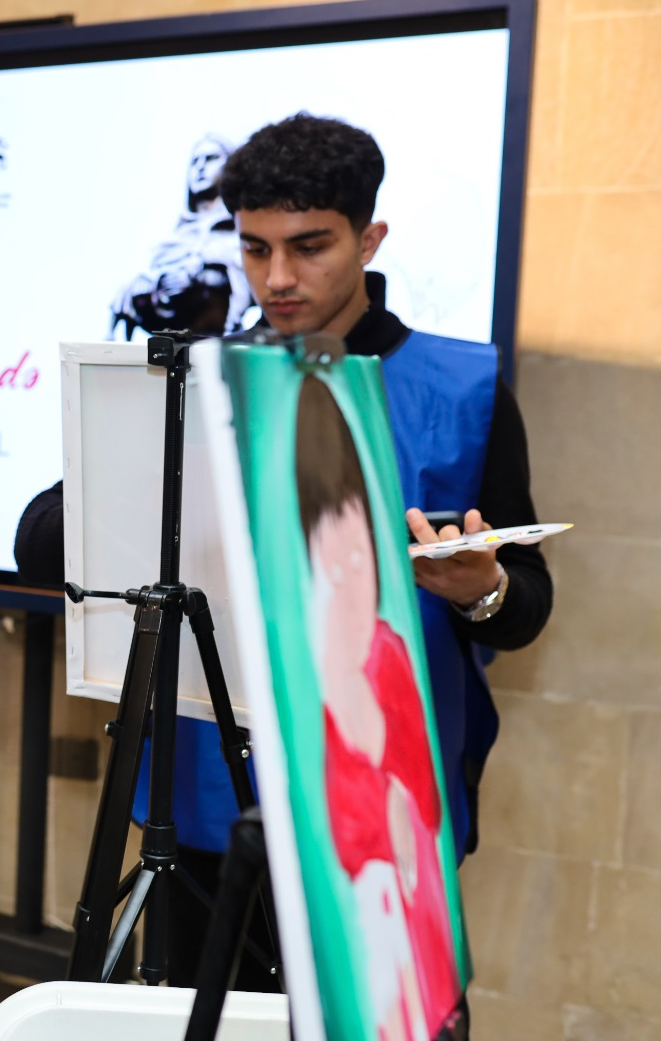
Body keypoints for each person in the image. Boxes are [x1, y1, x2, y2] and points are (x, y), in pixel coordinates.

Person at [15, 112, 552, 987]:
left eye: (309, 247)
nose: (277, 278)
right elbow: (40, 545)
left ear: (369, 238)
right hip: (203, 808)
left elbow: (526, 603)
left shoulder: (464, 392)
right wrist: (156, 468)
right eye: (255, 248)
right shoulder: (194, 378)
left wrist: (480, 590)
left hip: (386, 809)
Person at [297, 375, 460, 1039]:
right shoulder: (298, 679)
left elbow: (424, 813)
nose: (352, 576)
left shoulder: (387, 653)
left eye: (361, 551)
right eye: (330, 557)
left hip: (408, 970)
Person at [109, 134, 253, 340]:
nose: (200, 167)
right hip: (173, 331)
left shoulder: (239, 230)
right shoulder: (176, 237)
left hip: (219, 334)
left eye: (210, 159)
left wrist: (198, 271)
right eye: (195, 162)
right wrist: (160, 282)